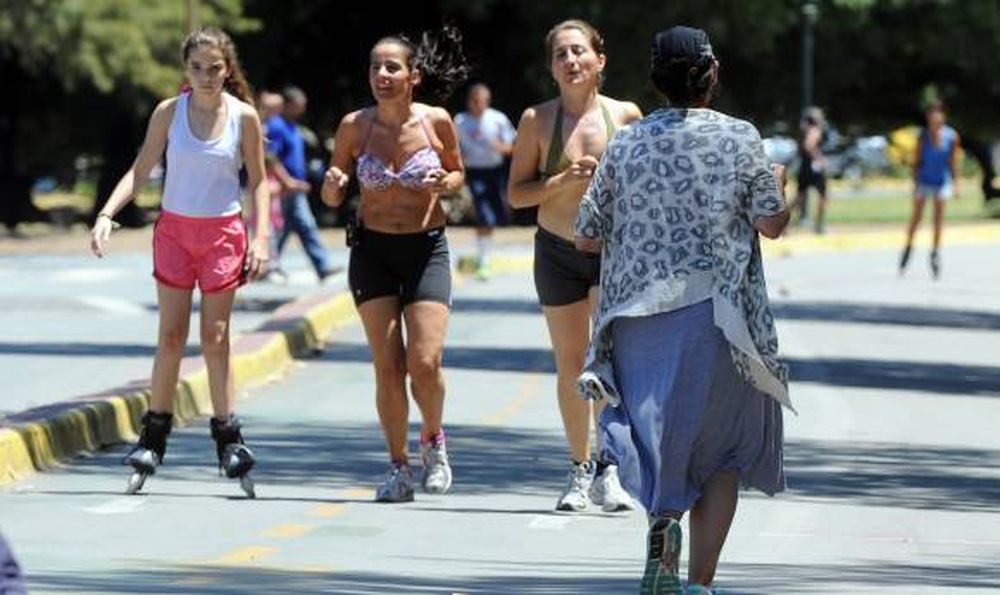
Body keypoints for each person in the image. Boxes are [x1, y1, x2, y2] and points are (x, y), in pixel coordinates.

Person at [574, 27, 790, 593]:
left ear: (656, 80)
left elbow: (586, 235)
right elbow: (771, 222)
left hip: (639, 320)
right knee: (720, 452)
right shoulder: (740, 138)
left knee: (659, 441)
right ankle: (698, 583)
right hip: (717, 317)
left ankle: (662, 525)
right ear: (711, 75)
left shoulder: (626, 142)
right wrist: (777, 183)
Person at [89, 27, 270, 498]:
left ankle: (228, 436)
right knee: (171, 336)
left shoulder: (244, 117)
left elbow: (260, 182)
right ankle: (153, 436)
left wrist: (262, 237)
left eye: (214, 68)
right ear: (185, 70)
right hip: (174, 232)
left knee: (215, 338)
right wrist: (108, 213)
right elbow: (141, 167)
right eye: (197, 68)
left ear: (227, 69)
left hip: (223, 235)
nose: (206, 77)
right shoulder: (170, 113)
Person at [321, 26, 468, 503]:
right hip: (372, 252)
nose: (381, 75)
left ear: (413, 75)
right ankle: (398, 468)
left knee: (424, 363)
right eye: (375, 67)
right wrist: (335, 181)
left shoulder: (436, 122)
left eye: (392, 67)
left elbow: (457, 173)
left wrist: (444, 182)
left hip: (426, 248)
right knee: (388, 366)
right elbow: (332, 192)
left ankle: (434, 439)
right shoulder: (354, 126)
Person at [508, 19, 642, 513]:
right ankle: (579, 469)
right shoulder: (536, 121)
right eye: (561, 54)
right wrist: (561, 182)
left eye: (579, 51)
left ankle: (610, 469)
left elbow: (647, 185)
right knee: (570, 363)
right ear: (551, 67)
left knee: (608, 361)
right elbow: (516, 194)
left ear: (599, 60)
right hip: (557, 249)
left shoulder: (625, 116)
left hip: (612, 253)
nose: (571, 61)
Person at [266, 86, 337, 282]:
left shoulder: (293, 127)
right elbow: (270, 157)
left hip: (295, 187)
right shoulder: (277, 126)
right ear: (287, 105)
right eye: (298, 106)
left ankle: (268, 265)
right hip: (286, 187)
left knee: (284, 228)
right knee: (304, 225)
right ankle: (321, 267)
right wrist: (287, 181)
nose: (301, 110)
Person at [454, 83, 516, 279]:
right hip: (474, 172)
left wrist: (499, 146)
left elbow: (513, 147)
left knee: (497, 216)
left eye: (483, 102)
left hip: (495, 172)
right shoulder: (461, 121)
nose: (479, 106)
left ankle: (482, 255)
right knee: (484, 214)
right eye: (475, 101)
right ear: (469, 101)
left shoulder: (497, 119)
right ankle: (483, 261)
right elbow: (454, 148)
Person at [900, 100, 961, 279]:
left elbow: (953, 162)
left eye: (938, 113)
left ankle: (934, 252)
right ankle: (908, 247)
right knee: (916, 218)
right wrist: (915, 182)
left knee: (938, 219)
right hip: (924, 181)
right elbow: (917, 162)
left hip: (942, 182)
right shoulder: (923, 137)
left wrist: (957, 183)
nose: (935, 117)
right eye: (932, 114)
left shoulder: (951, 136)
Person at [795, 106, 828, 234]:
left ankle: (784, 223)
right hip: (814, 168)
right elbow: (809, 146)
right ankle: (819, 225)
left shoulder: (804, 129)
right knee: (823, 196)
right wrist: (820, 158)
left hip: (804, 166)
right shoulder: (815, 130)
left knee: (799, 196)